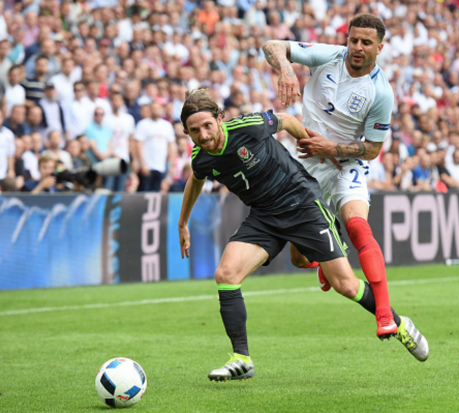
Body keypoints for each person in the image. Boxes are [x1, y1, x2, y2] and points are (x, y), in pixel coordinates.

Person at [178, 89, 428, 382]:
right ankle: (242, 359)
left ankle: (399, 324)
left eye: (207, 125)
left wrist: (311, 144)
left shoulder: (247, 127)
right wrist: (183, 223)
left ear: (220, 119)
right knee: (226, 274)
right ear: (187, 132)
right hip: (264, 217)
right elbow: (195, 180)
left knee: (345, 285)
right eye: (194, 131)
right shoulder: (201, 158)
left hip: (302, 204)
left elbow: (285, 120)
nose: (203, 135)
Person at [262, 14, 401, 339]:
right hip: (306, 165)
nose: (357, 47)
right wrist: (286, 70)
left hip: (344, 165)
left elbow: (372, 150)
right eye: (353, 39)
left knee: (356, 224)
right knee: (298, 258)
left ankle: (384, 315)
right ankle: (327, 258)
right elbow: (272, 45)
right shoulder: (328, 56)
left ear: (379, 48)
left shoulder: (380, 93)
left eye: (366, 42)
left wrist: (332, 148)